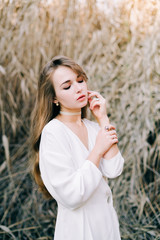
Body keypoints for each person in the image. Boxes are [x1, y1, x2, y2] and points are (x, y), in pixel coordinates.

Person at [31, 55, 124, 240]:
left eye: (80, 80)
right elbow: (72, 195)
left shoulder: (92, 127)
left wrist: (103, 118)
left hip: (107, 227)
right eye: (67, 86)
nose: (79, 88)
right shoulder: (53, 133)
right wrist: (98, 149)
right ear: (53, 98)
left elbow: (114, 169)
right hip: (80, 230)